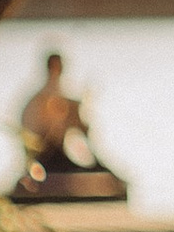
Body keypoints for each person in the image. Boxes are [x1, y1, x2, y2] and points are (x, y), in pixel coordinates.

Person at [14, 53, 126, 200]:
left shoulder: (53, 93)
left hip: (51, 154)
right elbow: (47, 132)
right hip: (45, 155)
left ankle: (105, 172)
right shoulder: (44, 98)